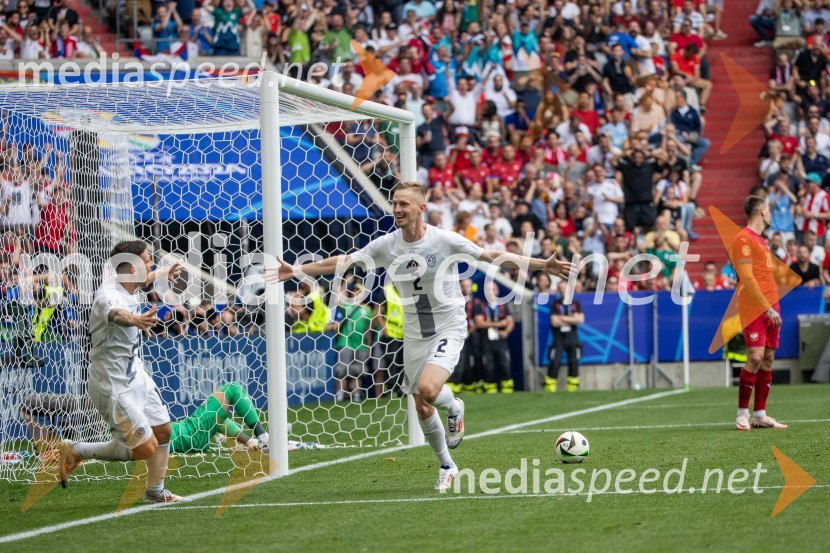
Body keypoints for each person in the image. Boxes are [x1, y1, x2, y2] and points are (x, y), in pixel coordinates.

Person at [267, 182, 574, 490]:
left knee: (428, 388)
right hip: (415, 333)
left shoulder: (442, 240)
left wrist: (540, 265)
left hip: (448, 325)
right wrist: (296, 270)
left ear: (420, 208)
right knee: (421, 405)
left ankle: (454, 406)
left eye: (404, 204)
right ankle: (447, 465)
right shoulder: (387, 245)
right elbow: (345, 261)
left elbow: (490, 255)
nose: (397, 209)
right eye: (395, 203)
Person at [57, 240, 189, 503]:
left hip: (135, 375)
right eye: (147, 259)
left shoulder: (130, 282)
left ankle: (155, 491)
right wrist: (136, 319)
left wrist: (163, 273)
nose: (151, 263)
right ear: (131, 267)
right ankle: (77, 450)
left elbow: (147, 277)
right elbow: (116, 314)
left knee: (163, 432)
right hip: (112, 385)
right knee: (145, 449)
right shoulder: (108, 295)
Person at [733, 196, 788, 431]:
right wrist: (765, 307)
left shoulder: (762, 241)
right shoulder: (743, 238)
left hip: (772, 307)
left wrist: (773, 306)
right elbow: (746, 277)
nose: (770, 214)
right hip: (754, 308)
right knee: (754, 357)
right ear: (762, 211)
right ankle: (742, 413)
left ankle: (760, 414)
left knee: (768, 359)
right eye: (769, 210)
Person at [473, 282, 515, 393]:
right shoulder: (480, 305)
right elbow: (479, 323)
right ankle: (490, 391)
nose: (491, 292)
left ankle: (507, 391)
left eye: (494, 289)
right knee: (488, 366)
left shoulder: (503, 306)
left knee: (505, 364)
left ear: (497, 291)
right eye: (489, 290)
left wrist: (506, 331)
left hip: (501, 340)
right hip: (486, 340)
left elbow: (510, 321)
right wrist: (499, 324)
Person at [547, 279, 584, 392]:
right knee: (555, 360)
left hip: (572, 337)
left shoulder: (575, 304)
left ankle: (572, 388)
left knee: (574, 361)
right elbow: (554, 322)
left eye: (565, 287)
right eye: (561, 288)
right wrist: (572, 319)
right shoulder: (555, 304)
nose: (563, 290)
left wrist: (562, 318)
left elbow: (580, 319)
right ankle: (550, 388)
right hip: (558, 337)